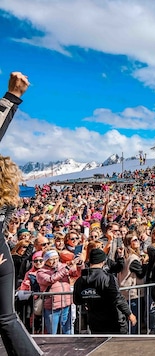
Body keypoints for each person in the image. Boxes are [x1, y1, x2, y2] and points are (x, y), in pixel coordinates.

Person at [0, 72, 42, 355]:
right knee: (7, 318)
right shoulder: (7, 201)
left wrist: (11, 99)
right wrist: (12, 98)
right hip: (3, 258)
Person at [73, 248, 137, 334]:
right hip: (113, 320)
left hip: (94, 321)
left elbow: (77, 300)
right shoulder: (108, 278)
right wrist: (129, 314)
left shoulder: (80, 281)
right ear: (103, 262)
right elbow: (117, 298)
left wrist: (89, 300)